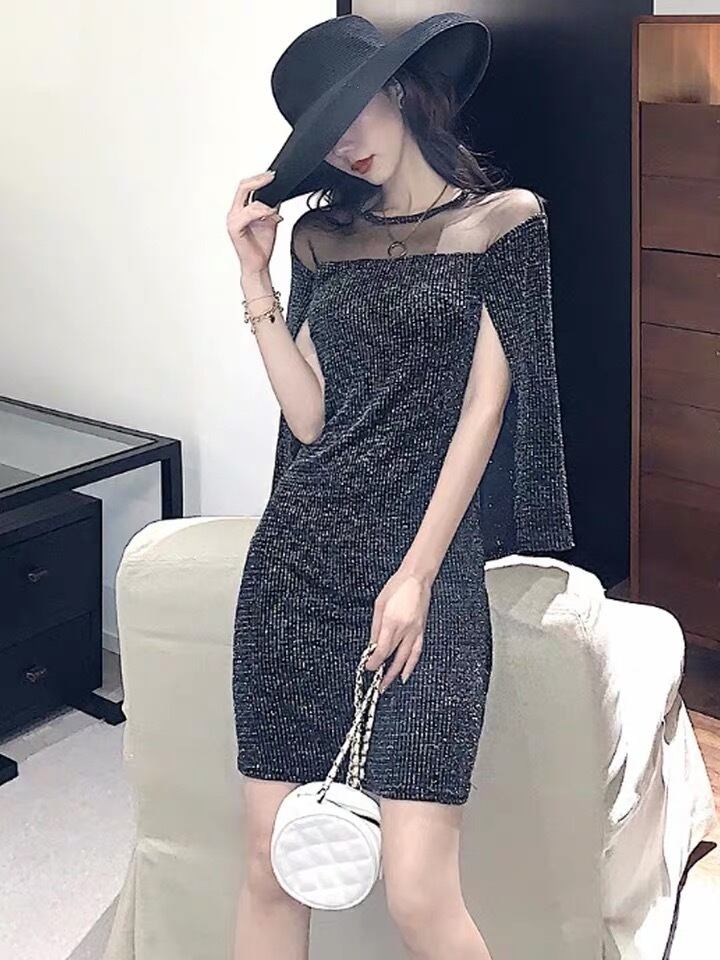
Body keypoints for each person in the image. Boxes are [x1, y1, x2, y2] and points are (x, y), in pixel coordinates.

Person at [226, 13, 574, 960]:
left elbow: (484, 412)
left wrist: (416, 575)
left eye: (351, 114)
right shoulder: (317, 241)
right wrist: (254, 277)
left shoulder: (505, 223)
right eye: (322, 136)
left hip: (426, 563)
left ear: (400, 91)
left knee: (418, 891)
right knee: (269, 866)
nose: (344, 147)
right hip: (297, 566)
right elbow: (309, 418)